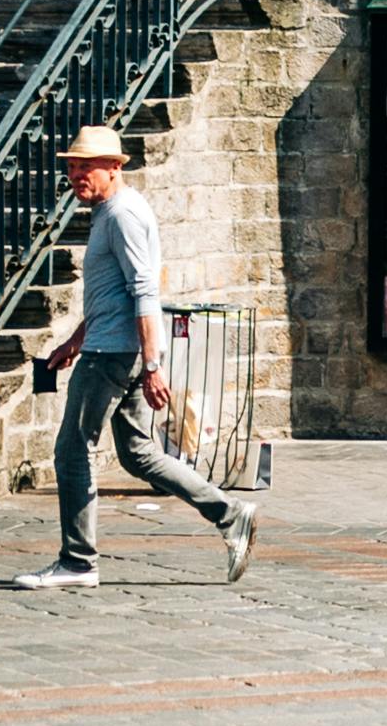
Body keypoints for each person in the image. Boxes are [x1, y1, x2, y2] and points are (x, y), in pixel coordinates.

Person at [14, 128, 255, 591]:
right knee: (140, 454)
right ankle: (231, 514)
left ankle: (78, 562)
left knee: (71, 450)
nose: (76, 174)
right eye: (71, 166)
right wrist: (74, 341)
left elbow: (144, 291)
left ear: (115, 167)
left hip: (114, 354)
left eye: (87, 166)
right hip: (109, 344)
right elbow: (114, 295)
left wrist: (152, 365)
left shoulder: (122, 214)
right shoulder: (111, 211)